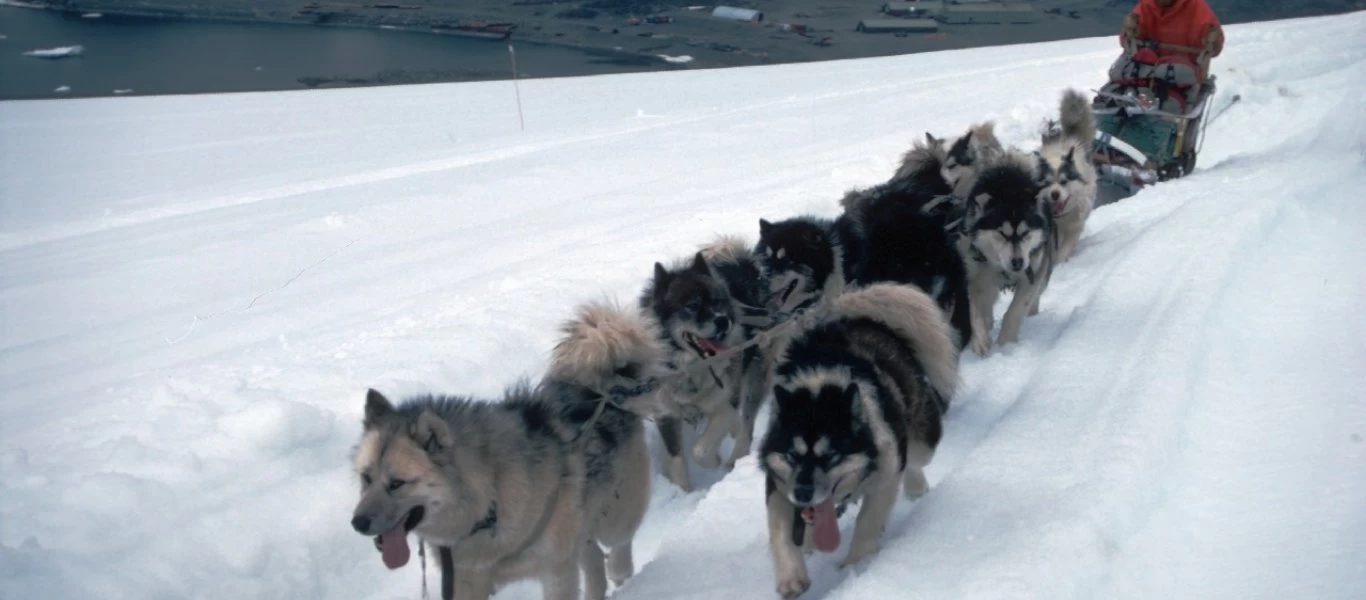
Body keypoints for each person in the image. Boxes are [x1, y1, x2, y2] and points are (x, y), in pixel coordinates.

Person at [1105, 0, 1224, 112]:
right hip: (1145, 74)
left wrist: (1214, 40)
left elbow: (1213, 49)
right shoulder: (1146, 6)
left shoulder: (1197, 9)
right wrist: (1128, 31)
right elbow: (1128, 44)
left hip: (1179, 80)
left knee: (1169, 105)